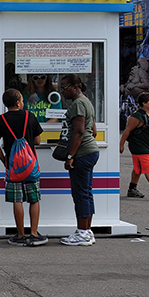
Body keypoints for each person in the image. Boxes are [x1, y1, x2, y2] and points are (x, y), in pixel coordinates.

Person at [0, 89, 47, 247]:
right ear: (18, 102)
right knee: (34, 200)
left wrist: (5, 162)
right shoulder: (30, 116)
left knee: (18, 200)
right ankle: (34, 234)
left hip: (13, 167)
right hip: (30, 166)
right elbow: (37, 141)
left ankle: (20, 235)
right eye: (22, 100)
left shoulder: (0, 120)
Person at [58, 74, 100, 246]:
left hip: (82, 154)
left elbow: (79, 132)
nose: (62, 91)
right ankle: (87, 231)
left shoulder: (78, 104)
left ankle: (82, 233)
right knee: (86, 192)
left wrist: (70, 156)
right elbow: (94, 131)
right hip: (90, 152)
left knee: (80, 193)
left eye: (65, 87)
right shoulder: (87, 101)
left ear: (75, 87)